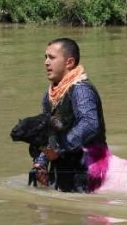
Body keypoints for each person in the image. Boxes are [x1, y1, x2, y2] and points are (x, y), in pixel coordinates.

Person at [32, 38, 107, 193]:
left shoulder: (81, 90)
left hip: (88, 173)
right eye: (45, 57)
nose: (46, 62)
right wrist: (41, 162)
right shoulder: (50, 95)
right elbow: (48, 133)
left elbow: (89, 124)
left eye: (51, 58)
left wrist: (58, 149)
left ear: (69, 62)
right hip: (63, 172)